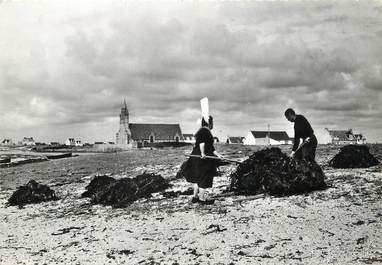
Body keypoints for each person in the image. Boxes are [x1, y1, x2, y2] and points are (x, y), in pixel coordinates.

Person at [184, 115, 223, 205]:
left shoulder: (203, 131)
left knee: (198, 177)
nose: (213, 124)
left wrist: (218, 155)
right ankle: (202, 199)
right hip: (201, 159)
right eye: (212, 122)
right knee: (203, 177)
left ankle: (195, 197)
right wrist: (202, 153)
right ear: (209, 123)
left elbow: (211, 147)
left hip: (197, 157)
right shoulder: (204, 131)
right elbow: (201, 143)